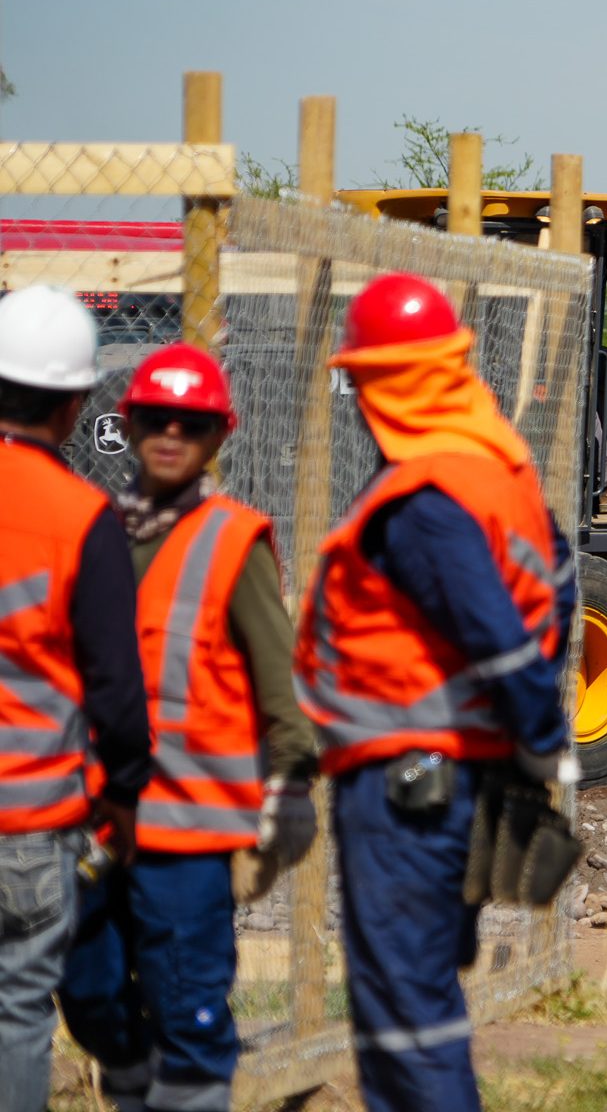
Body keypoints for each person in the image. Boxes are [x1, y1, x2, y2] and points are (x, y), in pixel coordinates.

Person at [294, 272, 578, 1112]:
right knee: (426, 994)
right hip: (463, 768)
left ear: (382, 387)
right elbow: (553, 587)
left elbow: (493, 636)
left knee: (404, 1013)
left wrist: (532, 734)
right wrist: (525, 742)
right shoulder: (499, 464)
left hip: (405, 786)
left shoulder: (423, 501)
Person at [56, 343, 320, 1112]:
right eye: (156, 418)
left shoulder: (232, 543)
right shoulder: (94, 528)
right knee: (91, 989)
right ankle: (135, 1086)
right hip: (97, 818)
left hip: (187, 827)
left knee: (189, 1006)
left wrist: (292, 780)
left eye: (193, 423)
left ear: (219, 436)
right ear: (128, 425)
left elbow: (277, 676)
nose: (172, 434)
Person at [0, 286, 153, 1112]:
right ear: (73, 402)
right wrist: (126, 796)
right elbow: (117, 693)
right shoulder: (82, 516)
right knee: (18, 1013)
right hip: (31, 818)